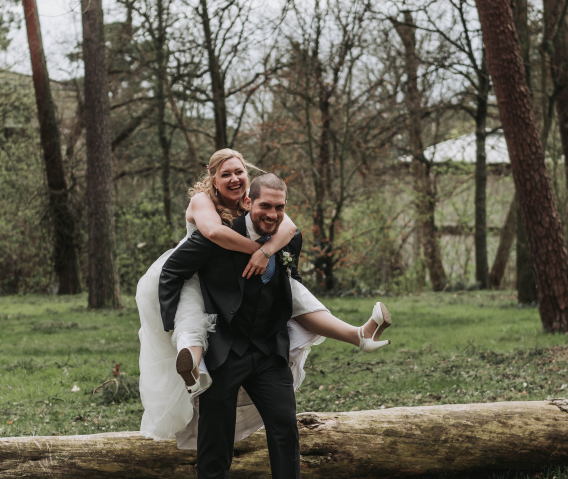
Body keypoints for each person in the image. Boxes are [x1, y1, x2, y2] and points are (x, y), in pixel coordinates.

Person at [136, 149, 391, 450]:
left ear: (247, 174)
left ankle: (359, 334)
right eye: (226, 174)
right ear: (213, 178)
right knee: (191, 317)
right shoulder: (202, 200)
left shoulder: (257, 198)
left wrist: (268, 252)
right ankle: (192, 367)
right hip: (190, 273)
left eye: (239, 172)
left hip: (231, 279)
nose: (234, 178)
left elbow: (289, 227)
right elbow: (213, 232)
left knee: (292, 291)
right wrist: (258, 250)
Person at [158, 173, 328, 479]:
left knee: (285, 429)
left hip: (269, 351)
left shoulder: (289, 238)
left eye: (280, 207)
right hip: (225, 350)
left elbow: (292, 281)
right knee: (215, 441)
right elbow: (172, 271)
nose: (272, 214)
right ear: (249, 202)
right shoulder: (217, 235)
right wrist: (174, 327)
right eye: (265, 205)